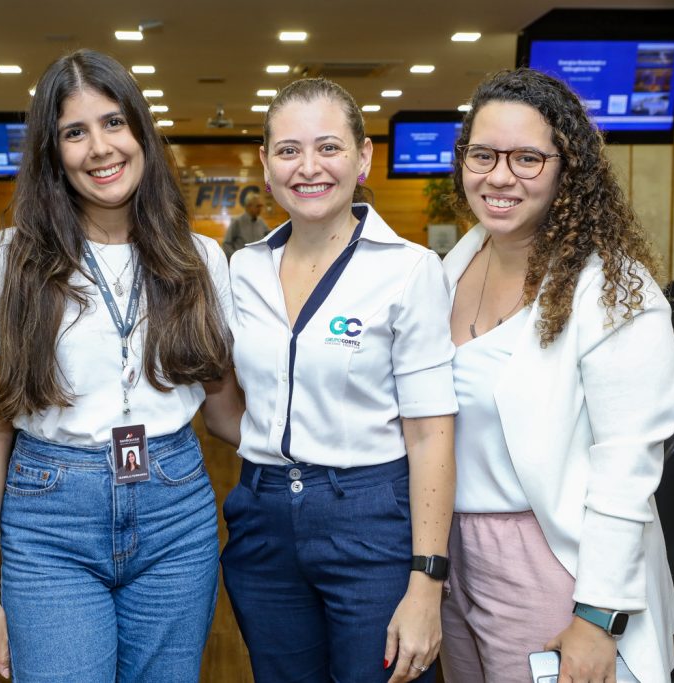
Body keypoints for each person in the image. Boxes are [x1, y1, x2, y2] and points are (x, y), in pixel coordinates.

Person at [0, 50, 239, 683]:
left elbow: (224, 411)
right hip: (50, 518)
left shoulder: (198, 259)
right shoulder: (9, 261)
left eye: (113, 123)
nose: (100, 148)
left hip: (175, 512)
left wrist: (337, 454)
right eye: (74, 132)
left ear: (141, 132)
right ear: (52, 153)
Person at [440, 69, 674, 683]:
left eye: (527, 158)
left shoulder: (613, 292)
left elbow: (626, 465)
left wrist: (598, 616)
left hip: (549, 558)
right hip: (451, 551)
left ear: (567, 169)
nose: (500, 177)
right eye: (483, 154)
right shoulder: (453, 265)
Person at [222, 77, 458, 683]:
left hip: (371, 522)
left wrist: (426, 580)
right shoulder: (243, 270)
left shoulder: (409, 270)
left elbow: (431, 435)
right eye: (289, 150)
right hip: (262, 521)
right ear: (266, 164)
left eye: (328, 147)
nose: (309, 167)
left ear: (363, 157)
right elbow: (223, 398)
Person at [222, 192, 270, 259]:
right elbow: (226, 244)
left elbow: (269, 237)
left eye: (261, 206)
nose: (260, 209)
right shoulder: (237, 222)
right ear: (249, 206)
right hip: (242, 262)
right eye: (258, 206)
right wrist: (236, 258)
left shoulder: (261, 222)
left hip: (258, 261)